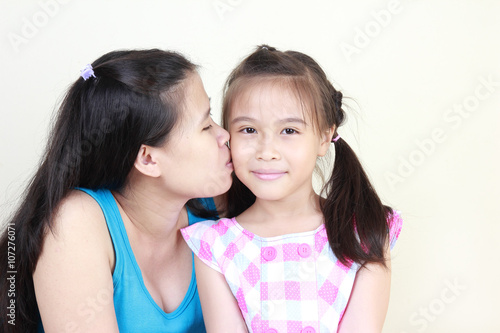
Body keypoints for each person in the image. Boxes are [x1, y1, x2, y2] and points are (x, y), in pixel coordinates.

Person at [0, 49, 233, 332]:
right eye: (206, 126)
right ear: (148, 158)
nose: (225, 135)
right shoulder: (77, 223)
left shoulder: (213, 205)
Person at [181, 45, 403, 333]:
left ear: (324, 137)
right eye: (248, 130)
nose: (266, 151)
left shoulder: (365, 231)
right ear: (228, 135)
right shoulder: (216, 246)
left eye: (289, 131)